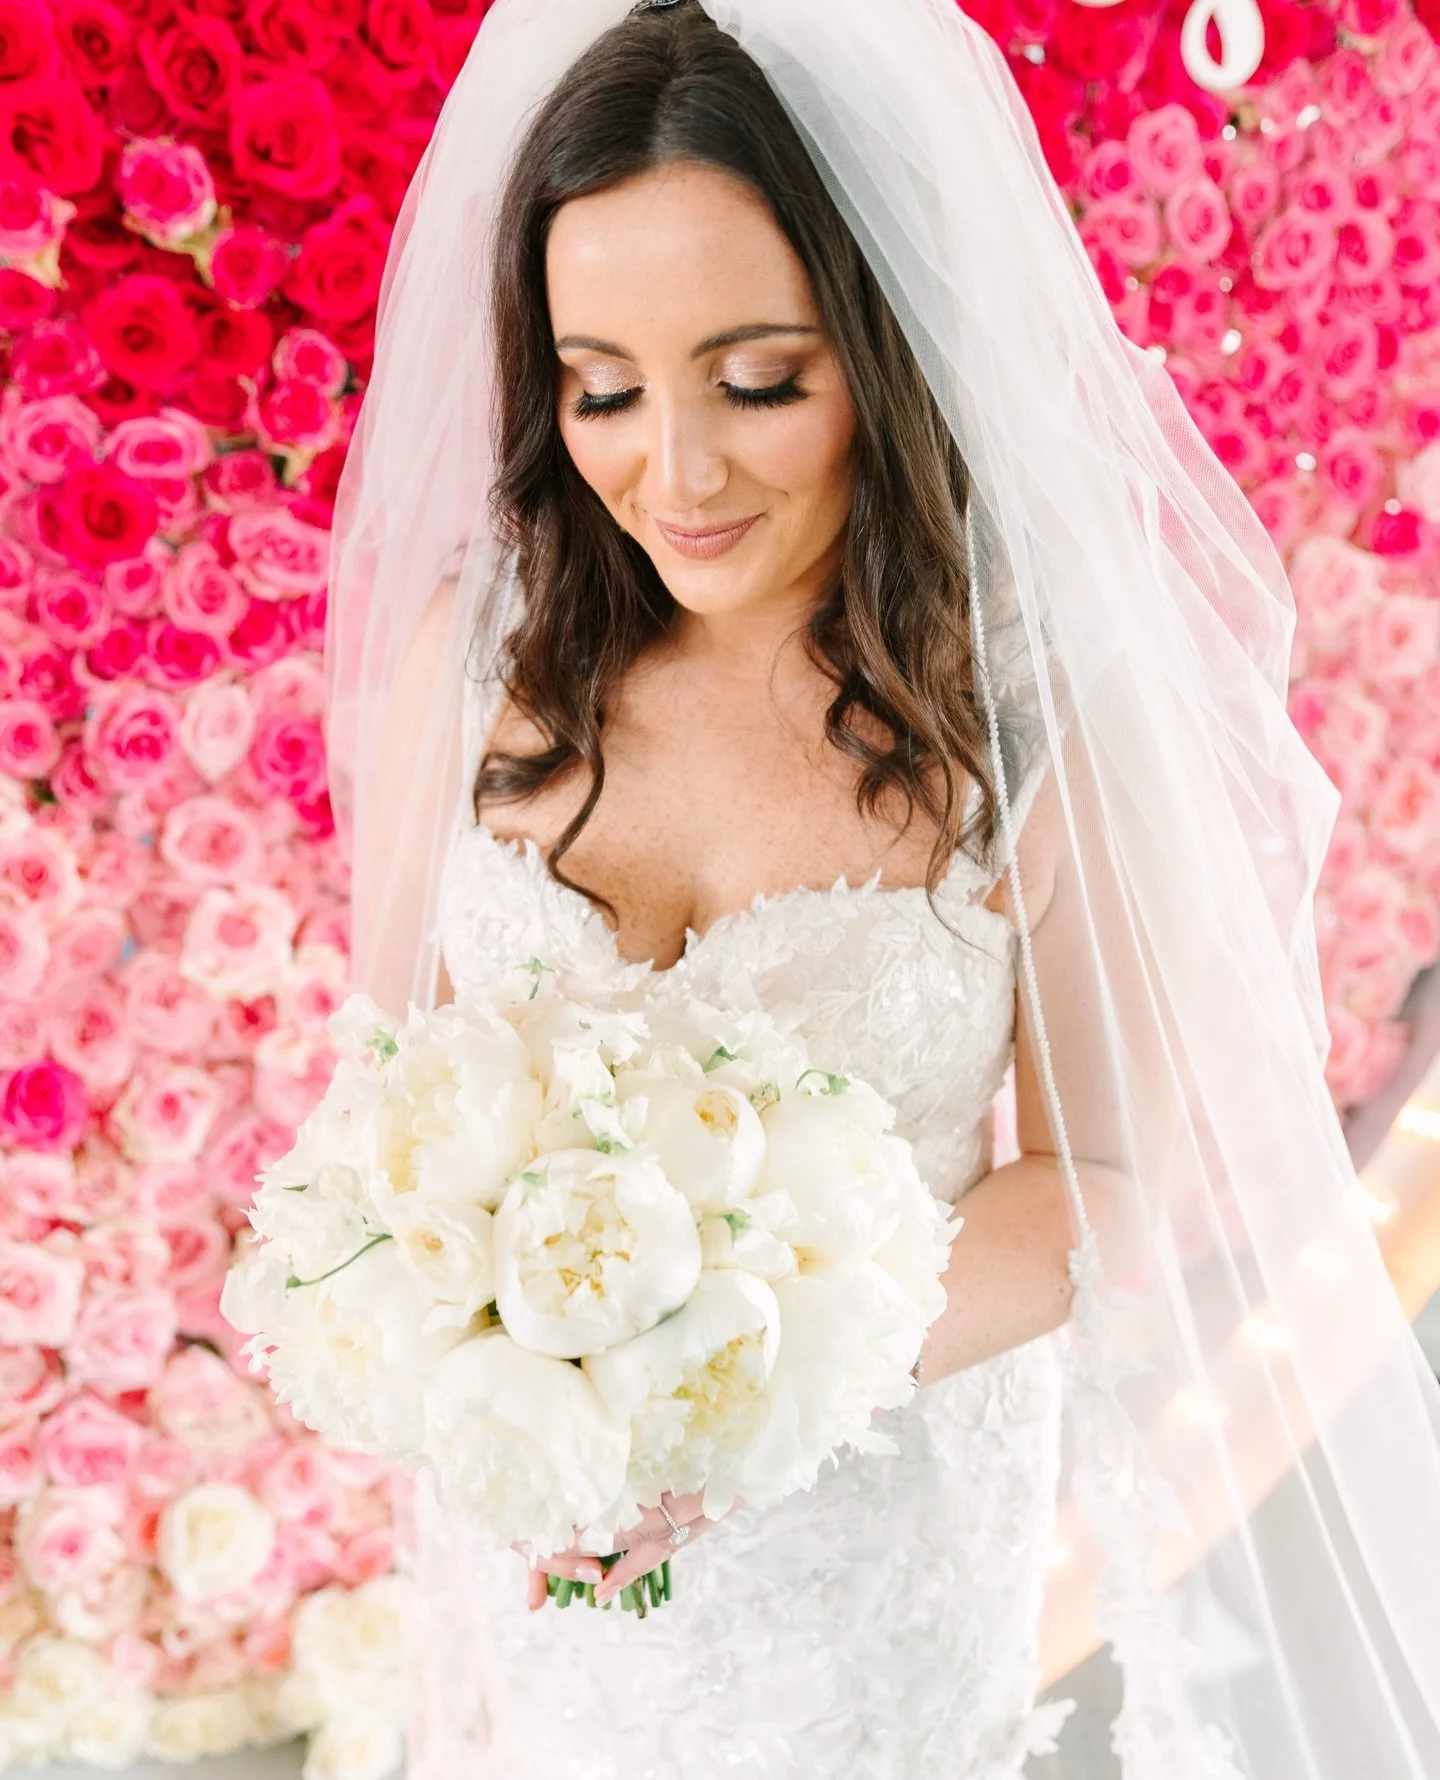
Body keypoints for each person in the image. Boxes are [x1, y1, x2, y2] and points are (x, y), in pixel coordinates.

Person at [321, 1, 1440, 1776]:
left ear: (887, 347)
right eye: (603, 385)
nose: (671, 474)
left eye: (758, 380)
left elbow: (1107, 1184)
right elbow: (379, 1116)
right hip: (543, 1550)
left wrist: (742, 1377)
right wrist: (494, 1360)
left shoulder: (1035, 699)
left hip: (870, 1570)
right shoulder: (481, 659)